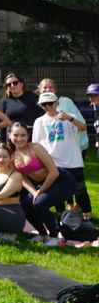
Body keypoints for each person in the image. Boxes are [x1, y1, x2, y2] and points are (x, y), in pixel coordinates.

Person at [32, 90, 89, 220]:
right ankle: (61, 218)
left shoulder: (68, 116)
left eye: (50, 103)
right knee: (58, 193)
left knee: (80, 190)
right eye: (43, 105)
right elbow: (37, 144)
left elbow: (83, 127)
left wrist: (69, 118)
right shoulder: (39, 121)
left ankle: (88, 217)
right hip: (53, 162)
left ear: (57, 103)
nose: (47, 107)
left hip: (73, 161)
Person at [9, 121, 69, 246]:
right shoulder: (12, 156)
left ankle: (54, 237)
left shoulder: (35, 148)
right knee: (25, 204)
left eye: (23, 135)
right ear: (10, 135)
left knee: (40, 203)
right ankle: (42, 234)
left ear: (28, 135)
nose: (19, 138)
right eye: (16, 135)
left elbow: (54, 172)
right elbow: (23, 178)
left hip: (61, 181)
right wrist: (34, 192)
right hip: (40, 185)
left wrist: (40, 192)